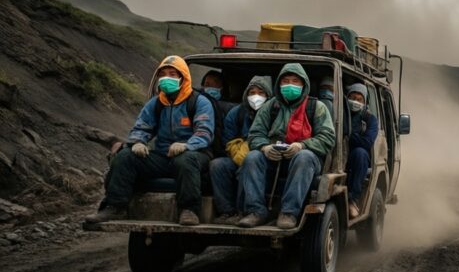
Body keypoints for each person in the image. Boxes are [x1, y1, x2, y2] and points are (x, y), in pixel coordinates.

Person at [85, 56, 214, 226]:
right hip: (163, 156)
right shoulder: (156, 103)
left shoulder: (199, 102)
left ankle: (189, 210)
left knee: (185, 160)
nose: (167, 78)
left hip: (195, 155)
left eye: (173, 74)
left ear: (183, 78)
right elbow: (141, 127)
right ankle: (114, 207)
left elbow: (204, 133)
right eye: (164, 74)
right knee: (125, 156)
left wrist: (186, 145)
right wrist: (137, 142)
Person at [238, 64, 336, 229]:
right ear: (279, 84)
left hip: (306, 160)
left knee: (303, 157)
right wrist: (264, 148)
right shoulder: (271, 106)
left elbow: (327, 138)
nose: (290, 85)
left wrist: (302, 145)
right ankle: (256, 211)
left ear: (303, 85)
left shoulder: (317, 107)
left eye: (295, 81)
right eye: (285, 81)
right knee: (252, 157)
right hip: (273, 157)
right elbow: (254, 134)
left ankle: (289, 213)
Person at [210, 75, 272, 225]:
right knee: (217, 165)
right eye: (252, 92)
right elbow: (227, 139)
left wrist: (252, 148)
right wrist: (238, 150)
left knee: (249, 161)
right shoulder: (237, 113)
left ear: (268, 95)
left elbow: (277, 137)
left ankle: (244, 211)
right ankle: (226, 211)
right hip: (237, 157)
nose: (255, 96)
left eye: (261, 93)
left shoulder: (274, 112)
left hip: (265, 160)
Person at [344, 83, 378, 219]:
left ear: (365, 102)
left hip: (355, 156)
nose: (355, 101)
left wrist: (348, 136)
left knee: (361, 153)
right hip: (336, 153)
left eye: (359, 99)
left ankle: (352, 200)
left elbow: (367, 142)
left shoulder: (369, 118)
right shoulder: (341, 113)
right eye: (352, 97)